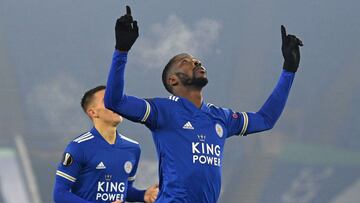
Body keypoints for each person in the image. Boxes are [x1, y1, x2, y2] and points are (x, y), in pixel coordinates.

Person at [104, 6, 303, 203]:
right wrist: (121, 51)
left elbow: (264, 119)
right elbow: (115, 101)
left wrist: (289, 70)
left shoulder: (221, 117)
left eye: (197, 60)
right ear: (173, 80)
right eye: (186, 62)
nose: (196, 63)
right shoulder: (162, 110)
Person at [53, 85, 159, 203]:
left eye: (115, 99)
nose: (114, 103)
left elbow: (125, 189)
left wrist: (142, 195)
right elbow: (60, 194)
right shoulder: (78, 147)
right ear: (93, 112)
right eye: (107, 100)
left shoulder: (133, 148)